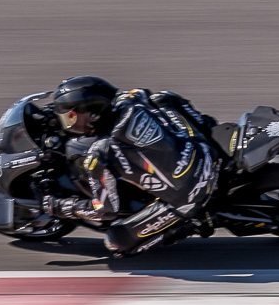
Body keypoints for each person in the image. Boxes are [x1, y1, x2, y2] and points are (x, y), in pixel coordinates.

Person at [32, 75, 223, 257]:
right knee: (163, 98)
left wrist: (61, 207)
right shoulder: (131, 100)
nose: (67, 123)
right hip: (204, 150)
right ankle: (209, 127)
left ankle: (192, 224)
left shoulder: (100, 152)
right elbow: (143, 94)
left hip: (188, 194)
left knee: (116, 241)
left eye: (70, 117)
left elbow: (105, 210)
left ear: (91, 115)